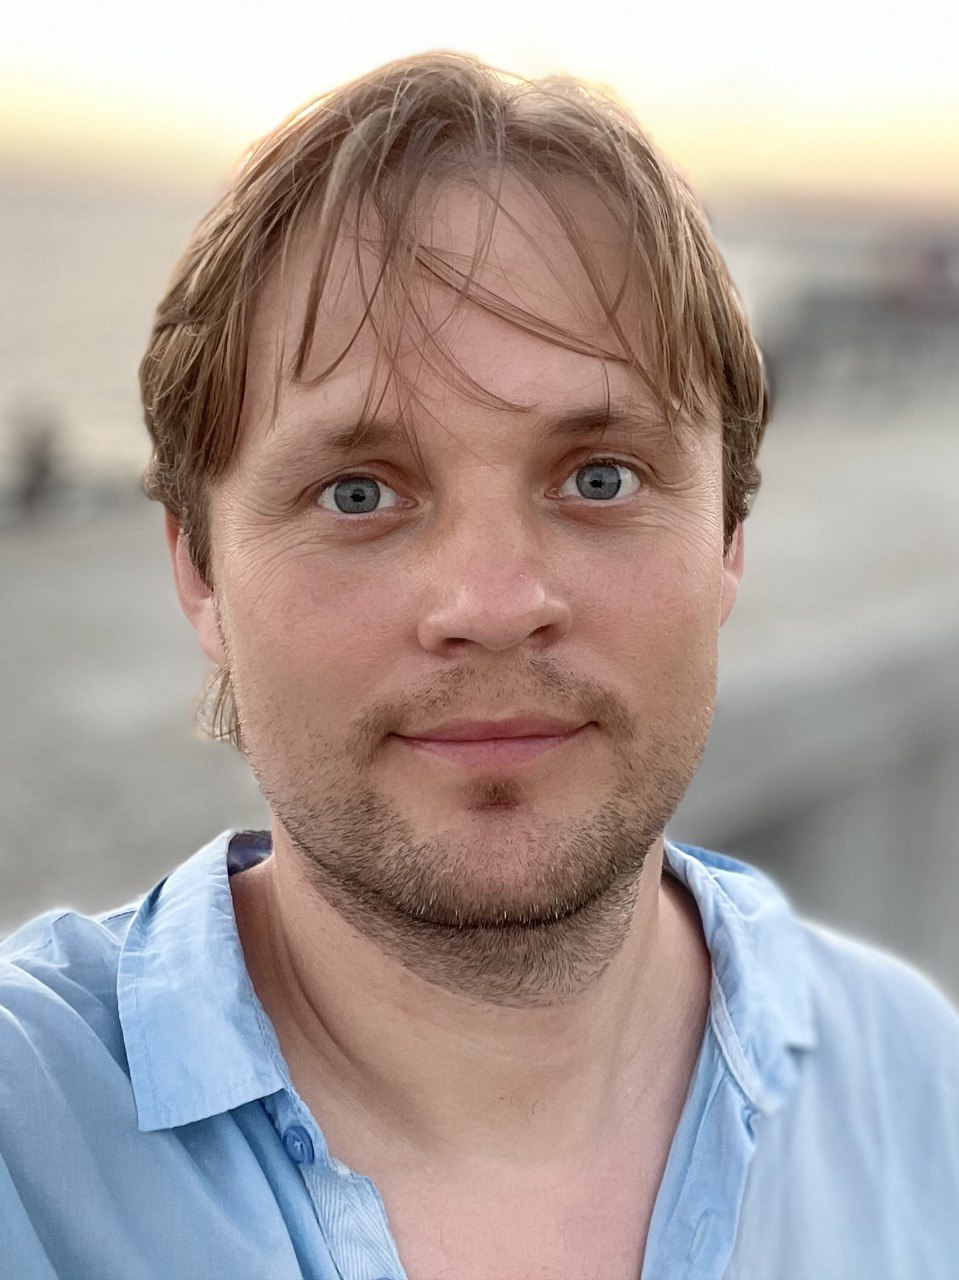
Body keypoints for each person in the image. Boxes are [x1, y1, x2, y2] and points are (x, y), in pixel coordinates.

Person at [1, 52, 957, 1280]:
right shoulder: (33, 1143)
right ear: (199, 572)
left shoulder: (907, 1086)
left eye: (598, 478)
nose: (494, 605)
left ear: (727, 538)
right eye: (358, 493)